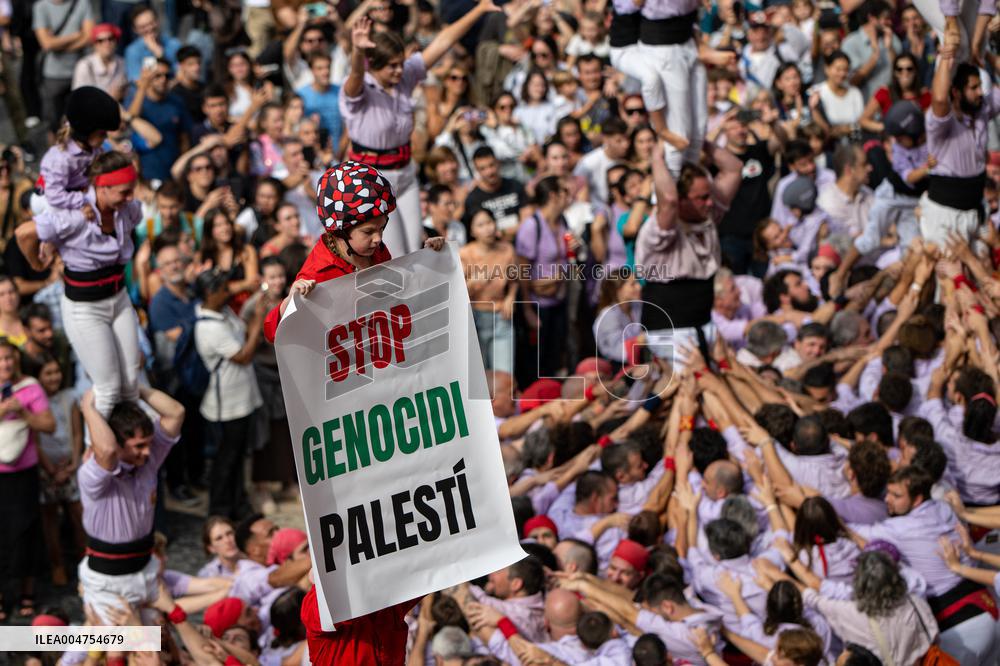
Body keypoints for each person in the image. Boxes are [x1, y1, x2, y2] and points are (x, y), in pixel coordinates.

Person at [339, 0, 500, 256]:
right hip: (372, 177)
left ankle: (414, 296)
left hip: (404, 172)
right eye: (391, 65)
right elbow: (354, 79)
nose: (399, 70)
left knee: (415, 247)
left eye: (400, 63)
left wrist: (479, 9)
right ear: (375, 66)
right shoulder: (362, 87)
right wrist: (359, 52)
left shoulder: (405, 76)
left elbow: (443, 41)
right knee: (393, 251)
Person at [18, 150, 142, 419]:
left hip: (118, 298)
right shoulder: (75, 214)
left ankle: (130, 445)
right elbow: (24, 233)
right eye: (124, 192)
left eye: (132, 190)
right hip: (85, 308)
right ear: (104, 188)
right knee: (108, 388)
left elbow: (134, 219)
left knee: (131, 381)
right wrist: (38, 264)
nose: (131, 197)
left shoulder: (128, 209)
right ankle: (95, 452)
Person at [77, 381, 185, 622]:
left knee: (154, 644)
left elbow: (175, 412)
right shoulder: (91, 473)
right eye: (138, 446)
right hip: (107, 578)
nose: (147, 452)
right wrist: (88, 408)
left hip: (145, 570)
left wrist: (135, 387)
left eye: (148, 443)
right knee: (118, 648)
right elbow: (105, 451)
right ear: (117, 443)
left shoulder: (148, 461)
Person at [193, 267, 264, 521]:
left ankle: (237, 505)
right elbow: (243, 356)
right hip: (227, 407)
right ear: (210, 293)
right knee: (226, 462)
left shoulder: (221, 312)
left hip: (241, 399)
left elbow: (241, 333)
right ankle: (220, 510)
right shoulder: (208, 328)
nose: (228, 291)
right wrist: (258, 322)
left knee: (236, 459)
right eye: (223, 288)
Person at [0, 339, 55, 621]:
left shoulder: (30, 388)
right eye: (0, 360)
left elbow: (49, 424)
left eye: (9, 358)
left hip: (24, 474)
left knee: (27, 532)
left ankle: (27, 593)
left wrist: (22, 411)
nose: (5, 365)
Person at [35, 354, 84, 588]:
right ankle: (57, 565)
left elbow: (76, 432)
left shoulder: (70, 397)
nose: (54, 377)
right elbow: (34, 439)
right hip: (47, 469)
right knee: (50, 519)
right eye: (48, 373)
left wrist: (74, 463)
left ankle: (85, 563)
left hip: (70, 465)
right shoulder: (34, 400)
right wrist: (50, 469)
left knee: (79, 516)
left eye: (56, 371)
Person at [460, 208, 517, 374]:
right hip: (475, 318)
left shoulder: (507, 249)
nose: (488, 228)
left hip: (501, 317)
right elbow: (456, 293)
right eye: (481, 225)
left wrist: (510, 297)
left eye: (490, 222)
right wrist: (474, 282)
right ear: (472, 230)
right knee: (480, 378)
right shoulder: (464, 253)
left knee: (504, 375)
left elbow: (514, 280)